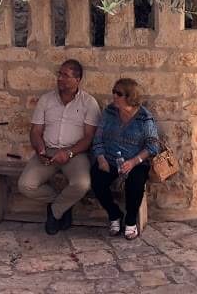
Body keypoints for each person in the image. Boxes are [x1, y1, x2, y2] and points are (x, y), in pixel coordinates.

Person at [17, 59, 101, 234]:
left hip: (76, 153)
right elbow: (35, 131)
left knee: (82, 184)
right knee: (25, 185)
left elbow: (89, 137)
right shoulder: (46, 100)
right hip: (48, 151)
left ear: (77, 80)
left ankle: (55, 211)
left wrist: (69, 153)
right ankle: (63, 204)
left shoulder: (89, 103)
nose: (60, 79)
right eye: (59, 74)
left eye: (65, 75)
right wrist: (40, 150)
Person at [90, 77, 160, 240]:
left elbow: (152, 146)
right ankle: (114, 214)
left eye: (118, 93)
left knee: (135, 184)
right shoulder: (109, 112)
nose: (114, 96)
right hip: (110, 159)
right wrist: (101, 159)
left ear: (130, 97)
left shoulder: (144, 118)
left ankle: (130, 220)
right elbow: (98, 139)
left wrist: (134, 161)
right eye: (113, 92)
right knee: (97, 180)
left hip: (135, 161)